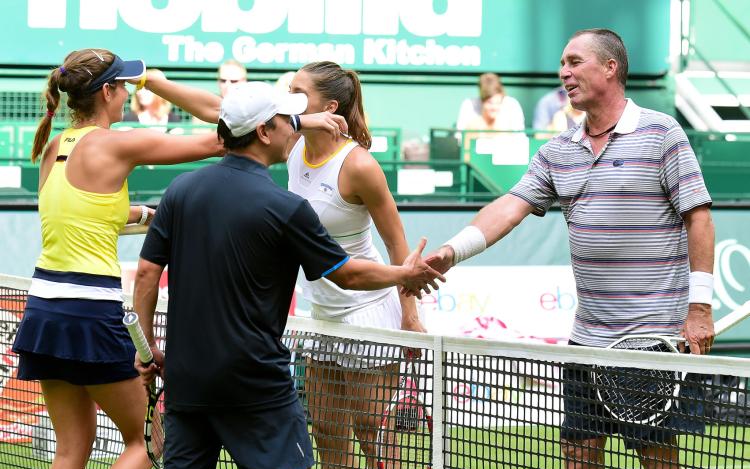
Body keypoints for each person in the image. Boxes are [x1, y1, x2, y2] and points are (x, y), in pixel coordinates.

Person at [423, 29, 716, 469]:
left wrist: (700, 308)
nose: (564, 72)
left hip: (653, 342)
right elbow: (510, 206)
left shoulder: (662, 133)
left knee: (658, 460)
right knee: (577, 456)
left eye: (575, 62)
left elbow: (699, 217)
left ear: (611, 67)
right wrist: (451, 251)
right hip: (585, 342)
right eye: (563, 64)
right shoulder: (557, 150)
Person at [132, 81, 444, 469]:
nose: (294, 127)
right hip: (256, 385)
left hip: (187, 379)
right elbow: (347, 275)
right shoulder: (287, 208)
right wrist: (404, 273)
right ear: (264, 131)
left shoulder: (179, 189)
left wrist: (145, 349)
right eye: (286, 120)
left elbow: (146, 274)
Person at [10, 48, 226, 469]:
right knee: (147, 443)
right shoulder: (119, 143)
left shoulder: (56, 145)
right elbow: (223, 137)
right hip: (89, 313)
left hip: (43, 313)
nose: (128, 94)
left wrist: (146, 215)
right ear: (108, 91)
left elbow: (84, 211)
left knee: (71, 451)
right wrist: (158, 83)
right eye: (125, 86)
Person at [287, 61, 428, 469]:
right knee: (327, 433)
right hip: (322, 316)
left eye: (300, 93)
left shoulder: (360, 165)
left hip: (367, 313)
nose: (289, 100)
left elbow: (397, 244)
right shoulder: (292, 145)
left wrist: (409, 313)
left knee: (374, 437)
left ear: (329, 107)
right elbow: (226, 117)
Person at [456, 73, 524, 131]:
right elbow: (460, 138)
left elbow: (520, 137)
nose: (494, 107)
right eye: (490, 102)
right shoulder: (469, 105)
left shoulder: (512, 105)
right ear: (482, 101)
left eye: (498, 102)